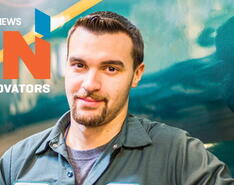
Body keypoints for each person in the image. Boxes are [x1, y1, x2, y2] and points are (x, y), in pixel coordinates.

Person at [0, 11, 234, 185]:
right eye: (79, 65)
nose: (90, 84)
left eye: (110, 68)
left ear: (136, 75)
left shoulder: (179, 154)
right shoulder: (16, 161)